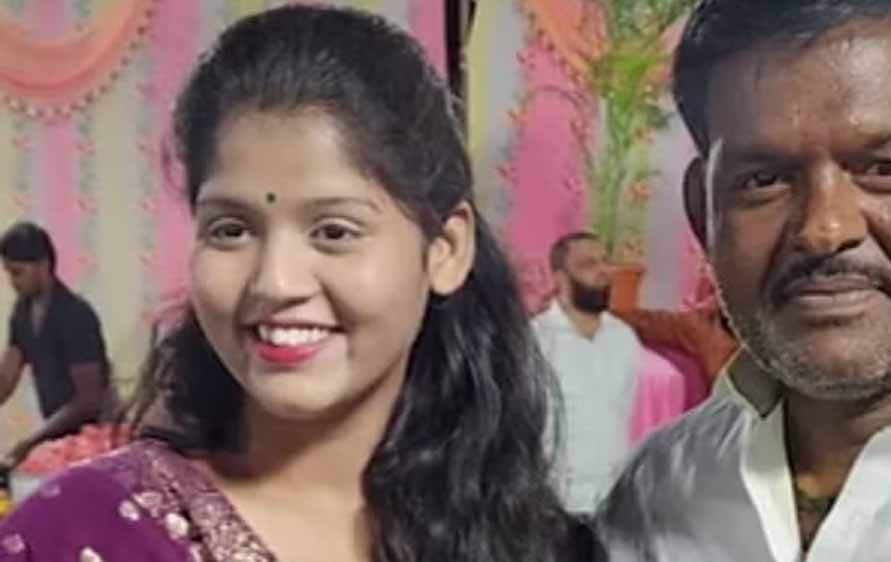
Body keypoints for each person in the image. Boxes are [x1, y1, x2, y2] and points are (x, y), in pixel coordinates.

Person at [0, 6, 592, 562]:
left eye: (334, 231)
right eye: (231, 230)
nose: (275, 282)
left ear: (446, 249)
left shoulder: (527, 538)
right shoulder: (83, 534)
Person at [599, 0, 891, 560]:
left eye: (885, 169)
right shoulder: (655, 494)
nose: (824, 228)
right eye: (763, 180)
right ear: (703, 214)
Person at [533, 232, 641, 514]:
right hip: (552, 506)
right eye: (588, 264)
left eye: (605, 262)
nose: (602, 271)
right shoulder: (536, 340)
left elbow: (623, 415)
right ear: (560, 278)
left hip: (613, 503)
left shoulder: (623, 338)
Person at [0, 222, 110, 467]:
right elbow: (6, 378)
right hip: (57, 441)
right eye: (8, 273)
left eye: (18, 272)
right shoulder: (22, 313)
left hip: (93, 443)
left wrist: (30, 442)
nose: (12, 282)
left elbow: (89, 400)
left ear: (44, 265)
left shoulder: (76, 314)